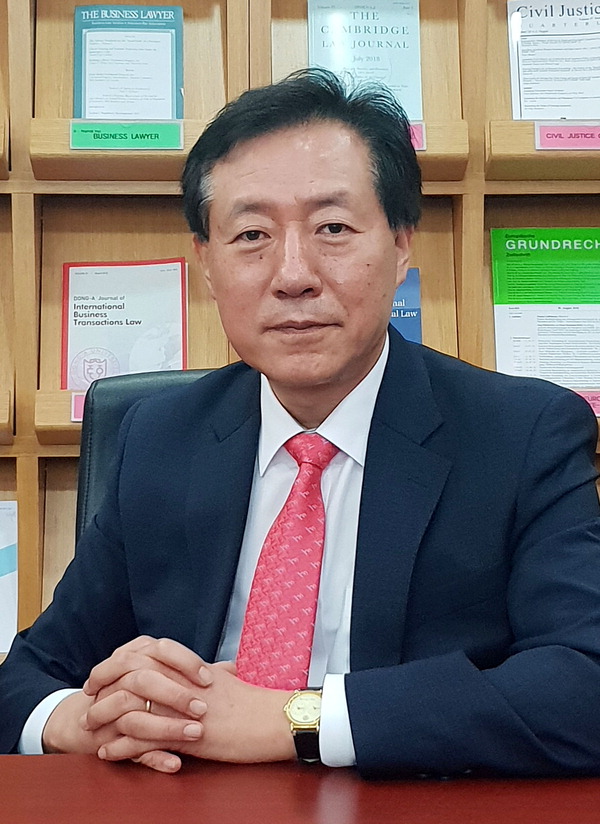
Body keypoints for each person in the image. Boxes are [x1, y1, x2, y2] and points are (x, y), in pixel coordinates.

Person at [1, 68, 600, 779]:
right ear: (207, 264)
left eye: (333, 228)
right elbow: (27, 678)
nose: (293, 275)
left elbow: (583, 683)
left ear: (402, 245)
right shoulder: (159, 438)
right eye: (251, 234)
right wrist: (82, 719)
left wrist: (296, 718)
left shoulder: (523, 434)